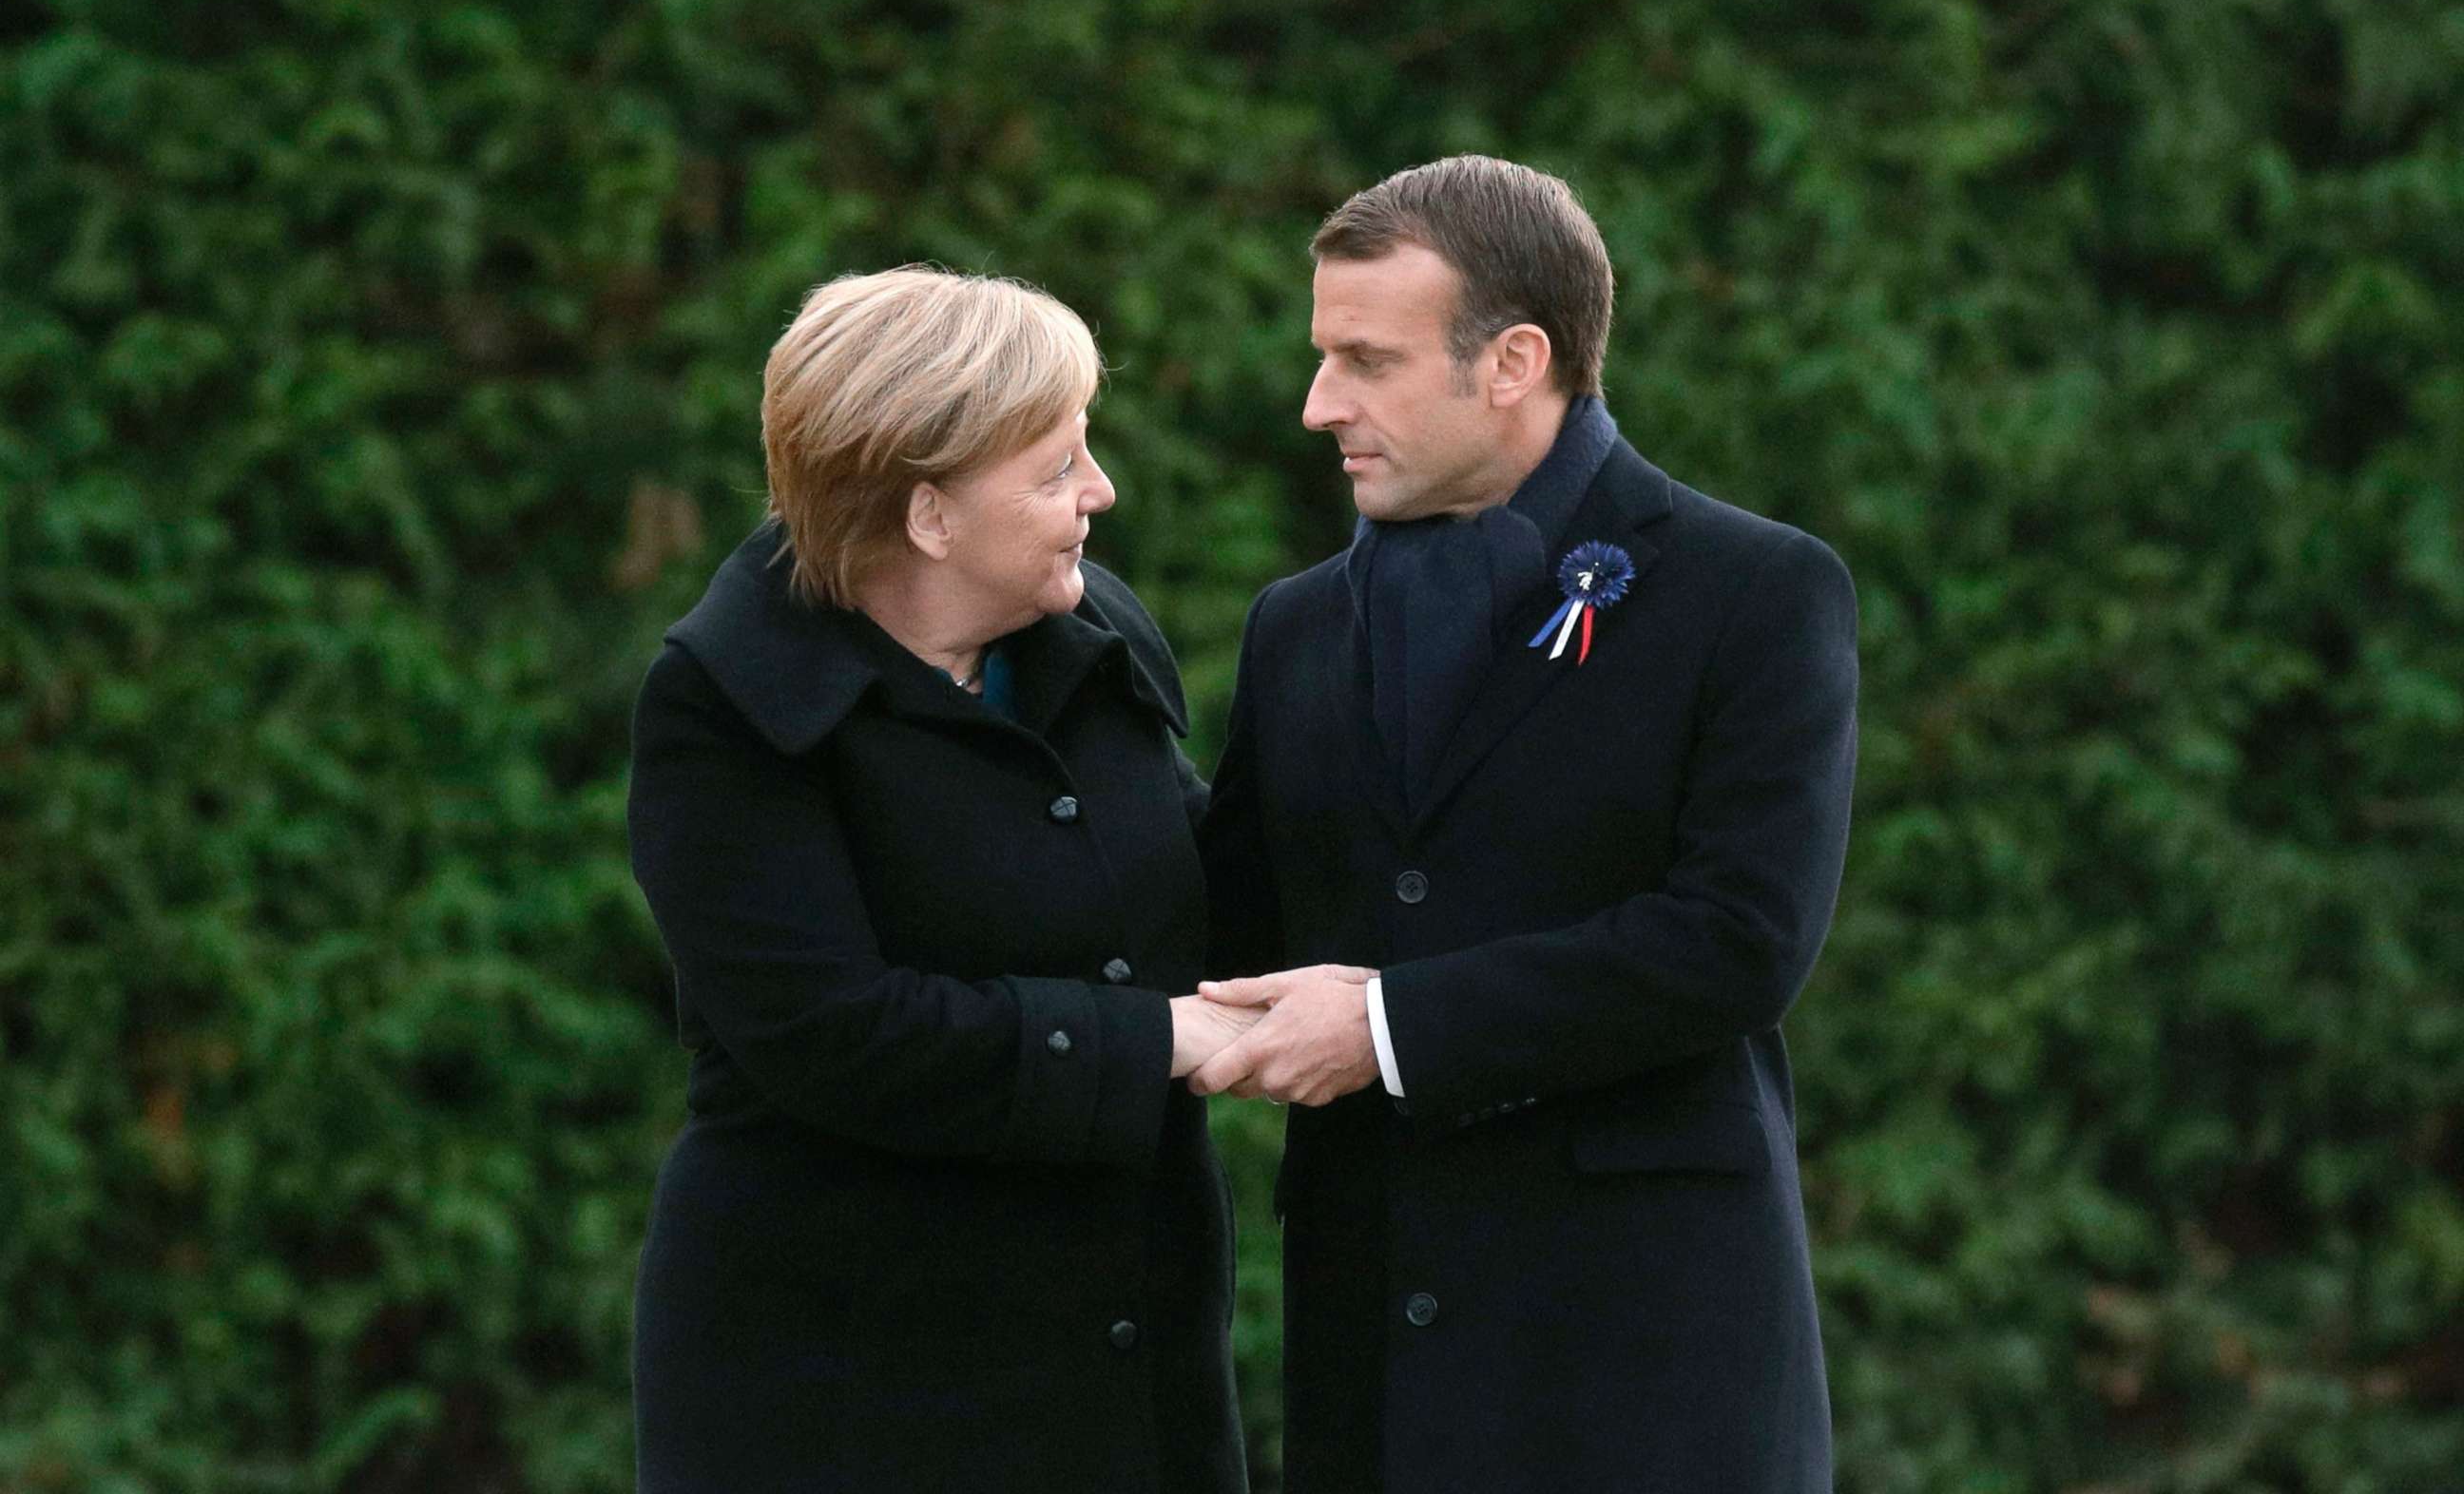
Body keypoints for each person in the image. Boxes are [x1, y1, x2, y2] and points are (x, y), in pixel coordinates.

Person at [1191, 157, 1858, 1493]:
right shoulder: (1296, 626)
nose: (1320, 404)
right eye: (1325, 357)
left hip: (1649, 1371)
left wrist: (1387, 1031)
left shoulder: (1755, 592)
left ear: (1513, 363)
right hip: (1372, 1364)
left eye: (1366, 361)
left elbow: (1737, 941)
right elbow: (1218, 923)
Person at [626, 265, 1255, 1493]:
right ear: (928, 518)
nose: (1101, 493)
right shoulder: (724, 707)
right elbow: (831, 1033)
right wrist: (1157, 1040)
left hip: (1125, 1355)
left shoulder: (1090, 629)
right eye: (1057, 469)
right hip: (845, 1377)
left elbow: (1194, 887)